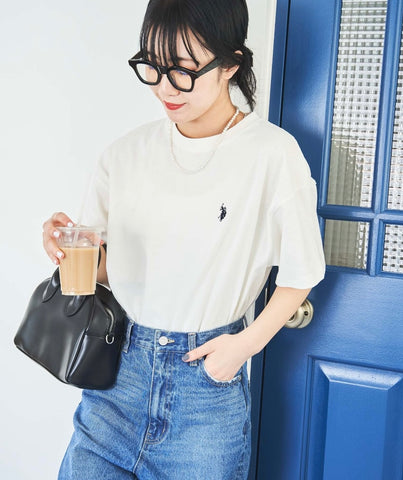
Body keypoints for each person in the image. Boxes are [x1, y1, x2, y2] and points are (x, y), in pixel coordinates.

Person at [42, 0, 325, 478]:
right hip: (115, 382)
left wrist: (243, 346)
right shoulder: (124, 154)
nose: (164, 87)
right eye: (152, 66)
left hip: (204, 396)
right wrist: (62, 247)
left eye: (183, 70)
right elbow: (106, 272)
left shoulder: (272, 155)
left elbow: (302, 274)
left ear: (230, 63)